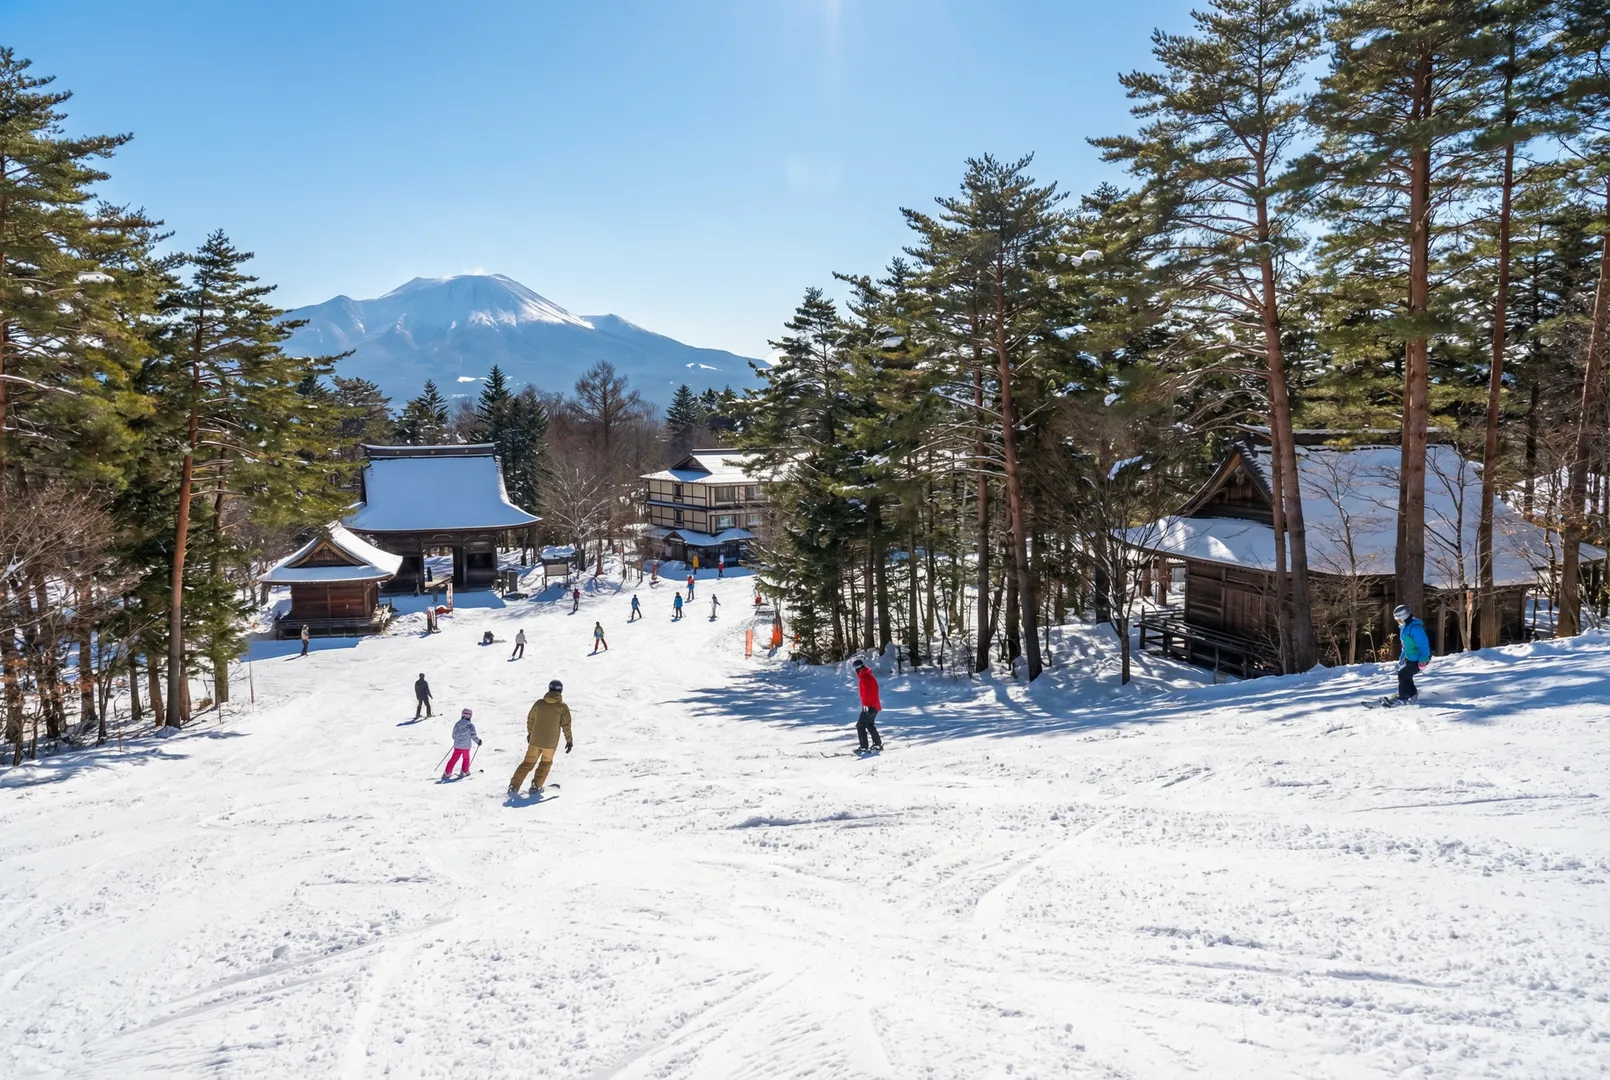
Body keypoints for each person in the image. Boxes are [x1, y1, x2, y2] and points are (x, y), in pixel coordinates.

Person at [509, 679, 573, 797]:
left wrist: (530, 733)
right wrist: (569, 740)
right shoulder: (562, 707)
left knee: (527, 763)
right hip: (550, 744)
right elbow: (566, 725)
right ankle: (536, 785)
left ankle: (514, 785)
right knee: (545, 763)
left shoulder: (539, 703)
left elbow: (530, 719)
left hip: (535, 740)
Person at [1390, 605, 1432, 705]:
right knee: (1406, 675)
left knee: (1403, 674)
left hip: (1420, 658)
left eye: (1398, 618)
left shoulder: (1415, 628)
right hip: (1412, 658)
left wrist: (1423, 659)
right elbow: (1406, 645)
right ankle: (1412, 695)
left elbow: (1423, 645)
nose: (1397, 620)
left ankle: (1403, 698)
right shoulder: (1405, 627)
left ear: (1404, 616)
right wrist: (1402, 658)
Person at [852, 658, 883, 751]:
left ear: (857, 668)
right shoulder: (867, 676)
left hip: (869, 706)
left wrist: (865, 706)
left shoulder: (865, 678)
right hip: (873, 706)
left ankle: (864, 747)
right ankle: (877, 744)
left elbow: (868, 694)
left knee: (860, 726)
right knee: (869, 725)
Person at [444, 707, 482, 779]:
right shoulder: (470, 725)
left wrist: (457, 739)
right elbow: (473, 735)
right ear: (470, 716)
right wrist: (478, 741)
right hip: (466, 746)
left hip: (457, 745)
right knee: (466, 758)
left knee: (454, 758)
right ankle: (464, 771)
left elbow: (454, 735)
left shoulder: (458, 723)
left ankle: (447, 772)